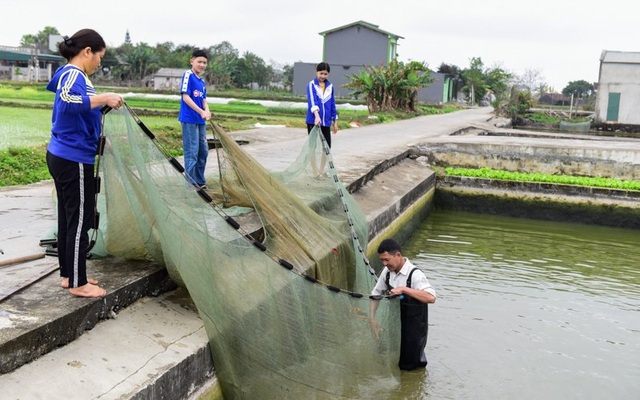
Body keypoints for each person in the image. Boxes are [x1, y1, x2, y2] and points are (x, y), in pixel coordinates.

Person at [46, 28, 123, 298]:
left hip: (65, 154)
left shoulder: (75, 76)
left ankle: (69, 274)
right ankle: (79, 282)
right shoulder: (72, 74)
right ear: (87, 52)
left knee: (69, 219)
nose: (100, 63)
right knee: (79, 219)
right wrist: (103, 97)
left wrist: (102, 105)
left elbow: (81, 111)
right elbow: (67, 102)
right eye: (99, 56)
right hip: (73, 157)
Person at [369, 238, 437, 370]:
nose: (384, 264)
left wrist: (404, 289)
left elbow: (431, 297)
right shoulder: (387, 272)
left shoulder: (415, 275)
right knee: (388, 358)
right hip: (394, 324)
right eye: (382, 260)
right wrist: (372, 318)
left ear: (398, 255)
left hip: (414, 328)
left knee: (410, 366)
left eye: (387, 260)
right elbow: (376, 294)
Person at [178, 49, 211, 189]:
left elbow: (204, 100)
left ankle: (199, 180)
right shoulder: (188, 75)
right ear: (192, 61)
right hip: (189, 119)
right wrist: (200, 112)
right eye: (199, 62)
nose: (202, 65)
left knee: (203, 151)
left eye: (204, 62)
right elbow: (185, 97)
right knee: (192, 151)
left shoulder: (201, 81)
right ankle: (190, 184)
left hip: (200, 121)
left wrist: (207, 111)